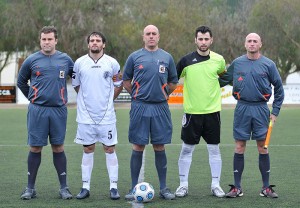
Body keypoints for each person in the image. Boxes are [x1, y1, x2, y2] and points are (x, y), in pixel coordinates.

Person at [219, 33, 284, 198]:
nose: (252, 43)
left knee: (262, 147)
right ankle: (237, 188)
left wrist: (275, 112)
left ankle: (266, 188)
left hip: (261, 109)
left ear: (260, 44)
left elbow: (279, 88)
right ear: (245, 44)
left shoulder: (269, 65)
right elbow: (221, 81)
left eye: (255, 41)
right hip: (242, 108)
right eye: (249, 41)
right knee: (239, 146)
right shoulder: (237, 63)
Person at [17, 26, 73, 200]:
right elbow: (21, 82)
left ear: (56, 40)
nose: (47, 42)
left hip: (58, 110)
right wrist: (34, 98)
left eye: (50, 39)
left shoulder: (66, 60)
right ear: (40, 40)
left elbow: (76, 78)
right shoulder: (31, 60)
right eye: (44, 39)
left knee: (58, 146)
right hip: (37, 111)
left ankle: (64, 188)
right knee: (35, 147)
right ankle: (30, 188)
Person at [122, 25, 178, 200]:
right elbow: (126, 80)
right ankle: (133, 188)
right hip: (139, 106)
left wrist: (163, 94)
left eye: (154, 34)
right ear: (143, 37)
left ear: (158, 37)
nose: (151, 36)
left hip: (160, 107)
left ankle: (164, 188)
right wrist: (137, 95)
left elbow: (173, 82)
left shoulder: (166, 57)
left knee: (159, 145)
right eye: (148, 34)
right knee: (138, 145)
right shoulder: (134, 57)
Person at [174, 26, 226, 198]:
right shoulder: (185, 61)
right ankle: (183, 185)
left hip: (213, 113)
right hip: (191, 113)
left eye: (206, 39)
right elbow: (173, 79)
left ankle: (215, 185)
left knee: (214, 150)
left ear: (211, 40)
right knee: (186, 149)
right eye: (200, 39)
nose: (203, 42)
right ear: (195, 40)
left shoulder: (219, 60)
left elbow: (222, 77)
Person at [72, 32, 123, 200]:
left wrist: (108, 101)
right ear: (88, 44)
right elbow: (77, 86)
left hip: (107, 116)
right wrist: (87, 102)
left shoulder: (112, 63)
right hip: (85, 117)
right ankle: (85, 187)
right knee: (88, 149)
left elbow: (118, 84)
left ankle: (113, 187)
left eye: (98, 40)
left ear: (104, 44)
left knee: (109, 149)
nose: (95, 43)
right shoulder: (79, 63)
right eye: (92, 40)